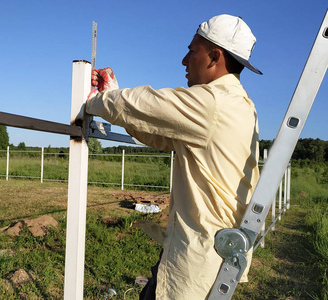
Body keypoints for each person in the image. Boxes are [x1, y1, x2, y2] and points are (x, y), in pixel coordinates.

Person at [85, 14, 262, 299]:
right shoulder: (240, 105)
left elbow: (145, 104)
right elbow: (161, 135)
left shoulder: (213, 104)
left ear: (214, 56)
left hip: (197, 259)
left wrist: (95, 100)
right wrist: (114, 100)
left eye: (192, 50)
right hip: (204, 252)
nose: (184, 60)